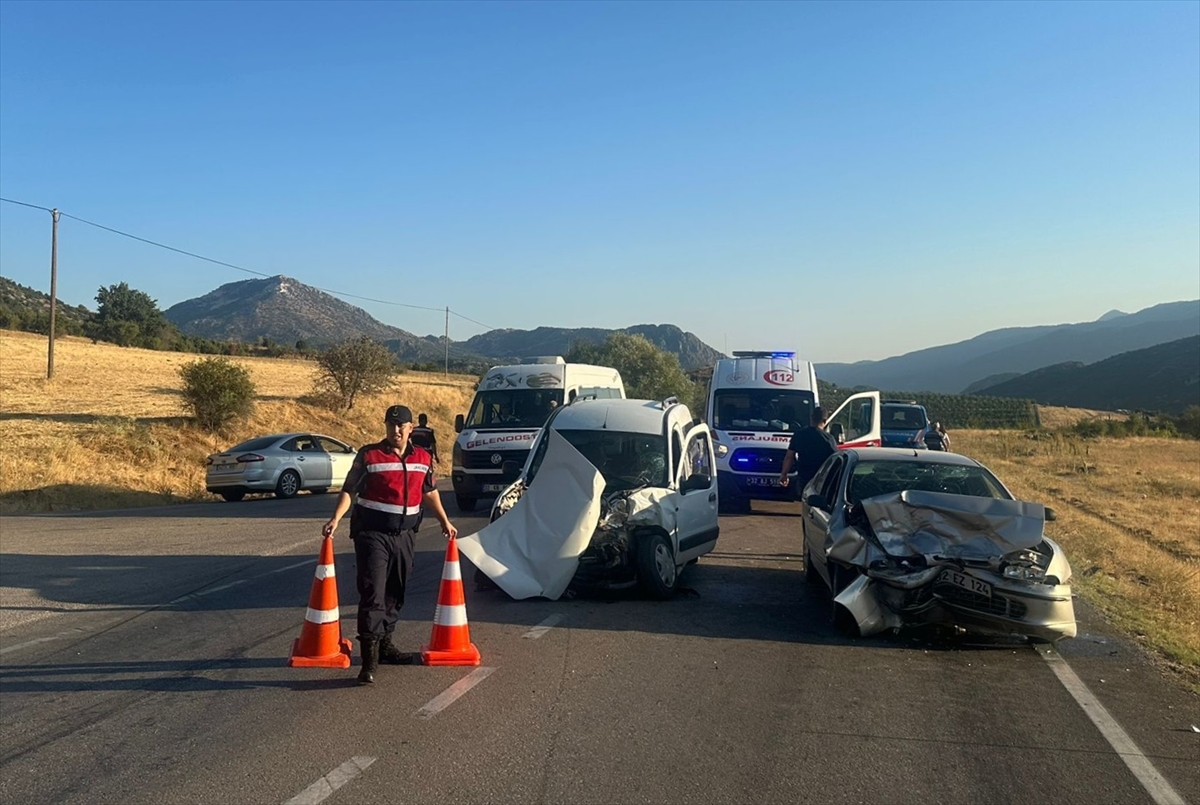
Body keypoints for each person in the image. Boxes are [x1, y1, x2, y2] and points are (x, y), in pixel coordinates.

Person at [321, 404, 458, 685]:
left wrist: (444, 521)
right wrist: (335, 518)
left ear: (410, 429)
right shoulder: (369, 455)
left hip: (405, 535)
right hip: (373, 534)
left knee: (397, 591)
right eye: (390, 425)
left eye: (401, 426)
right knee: (374, 592)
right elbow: (350, 490)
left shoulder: (422, 457)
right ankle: (368, 661)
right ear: (385, 427)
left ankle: (385, 645)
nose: (395, 430)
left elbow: (429, 492)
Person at [777, 406, 839, 497]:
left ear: (811, 418)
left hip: (804, 478)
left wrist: (784, 474)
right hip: (822, 479)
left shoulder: (799, 435)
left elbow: (789, 457)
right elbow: (836, 460)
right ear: (825, 421)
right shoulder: (829, 439)